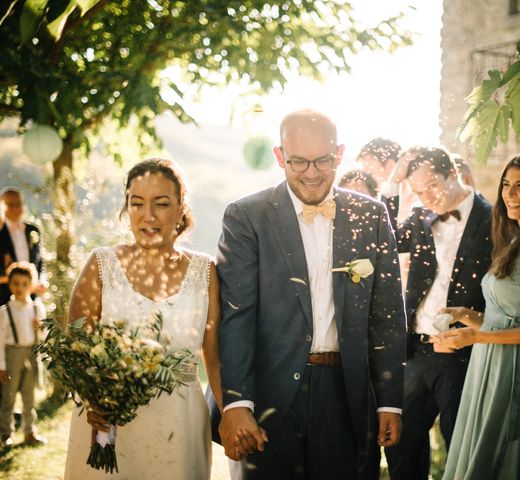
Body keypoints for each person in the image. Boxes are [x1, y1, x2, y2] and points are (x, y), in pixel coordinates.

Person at [216, 109, 407, 478]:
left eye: (322, 160)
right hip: (270, 393)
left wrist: (390, 402)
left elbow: (387, 317)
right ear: (279, 156)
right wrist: (237, 402)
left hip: (345, 391)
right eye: (298, 161)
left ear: (339, 152)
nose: (311, 172)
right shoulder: (246, 216)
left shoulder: (372, 215)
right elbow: (235, 314)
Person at [63, 158, 222, 479]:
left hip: (180, 423)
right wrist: (94, 399)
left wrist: (233, 414)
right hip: (109, 420)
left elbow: (215, 357)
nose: (148, 215)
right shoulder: (100, 264)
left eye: (161, 204)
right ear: (127, 208)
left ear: (181, 209)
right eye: (137, 203)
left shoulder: (205, 271)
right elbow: (75, 350)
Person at [433, 153, 520, 480]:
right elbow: (506, 319)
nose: (510, 194)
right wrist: (466, 316)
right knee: (471, 460)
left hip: (509, 371)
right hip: (485, 364)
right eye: (506, 185)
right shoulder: (515, 241)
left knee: (490, 465)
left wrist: (478, 337)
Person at [380, 146, 493, 479]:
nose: (426, 197)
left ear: (453, 174)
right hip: (416, 350)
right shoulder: (419, 216)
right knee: (401, 444)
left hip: (463, 352)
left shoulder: (492, 219)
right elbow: (382, 239)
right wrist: (392, 182)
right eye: (417, 191)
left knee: (460, 445)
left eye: (432, 186)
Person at [0, 261, 47, 448]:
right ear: (10, 284)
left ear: (32, 285)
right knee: (8, 397)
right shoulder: (4, 311)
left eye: (25, 284)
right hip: (12, 354)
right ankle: (5, 434)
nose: (20, 288)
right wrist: (1, 366)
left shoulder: (37, 308)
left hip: (31, 354)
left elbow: (43, 337)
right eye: (16, 283)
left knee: (29, 396)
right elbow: (0, 340)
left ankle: (29, 432)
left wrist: (40, 328)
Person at [0, 187, 47, 306]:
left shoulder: (33, 230)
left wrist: (41, 280)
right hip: (4, 300)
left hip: (31, 300)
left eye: (18, 203)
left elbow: (40, 261)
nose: (16, 208)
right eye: (10, 205)